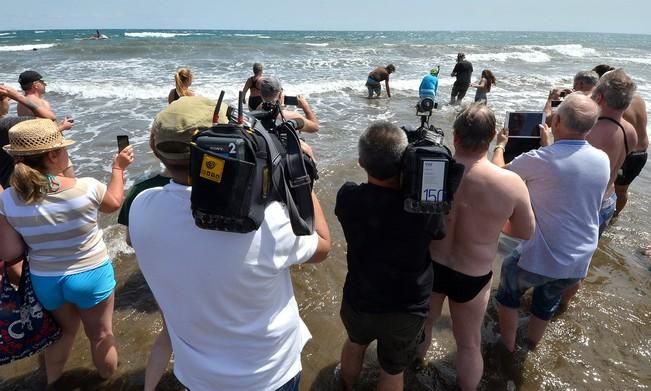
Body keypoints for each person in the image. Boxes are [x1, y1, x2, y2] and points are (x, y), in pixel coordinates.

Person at [128, 96, 331, 391]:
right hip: (270, 374)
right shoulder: (266, 220)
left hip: (197, 376)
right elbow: (323, 246)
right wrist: (296, 174)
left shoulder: (140, 207)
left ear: (156, 149)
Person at [0, 118, 134, 385]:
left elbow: (10, 250)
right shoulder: (86, 188)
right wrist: (118, 169)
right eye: (63, 148)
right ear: (53, 154)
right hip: (91, 275)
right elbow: (113, 203)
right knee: (101, 335)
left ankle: (52, 383)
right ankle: (107, 380)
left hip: (46, 280)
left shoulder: (8, 199)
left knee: (62, 334)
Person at [417, 103, 535, 391]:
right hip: (473, 274)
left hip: (431, 267)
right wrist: (492, 226)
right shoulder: (510, 182)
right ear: (493, 135)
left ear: (455, 135)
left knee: (424, 326)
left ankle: (413, 372)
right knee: (469, 343)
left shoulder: (432, 169)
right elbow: (525, 231)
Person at [491, 93, 610, 352]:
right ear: (590, 128)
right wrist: (549, 147)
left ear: (555, 122)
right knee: (546, 303)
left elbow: (497, 175)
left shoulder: (538, 160)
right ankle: (531, 345)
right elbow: (566, 174)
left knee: (508, 293)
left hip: (542, 256)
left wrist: (499, 145)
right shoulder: (602, 159)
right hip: (578, 259)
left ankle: (507, 347)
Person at [336, 121, 435, 391]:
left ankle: (346, 386)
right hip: (406, 307)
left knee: (355, 344)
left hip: (360, 299)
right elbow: (438, 233)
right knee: (393, 369)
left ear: (361, 162)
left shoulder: (347, 198)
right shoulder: (423, 209)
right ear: (405, 162)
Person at [561, 68, 638, 305]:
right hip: (607, 201)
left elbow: (567, 167)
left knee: (562, 256)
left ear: (600, 97)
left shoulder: (591, 131)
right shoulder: (630, 131)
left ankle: (552, 300)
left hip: (583, 206)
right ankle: (565, 302)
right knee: (583, 256)